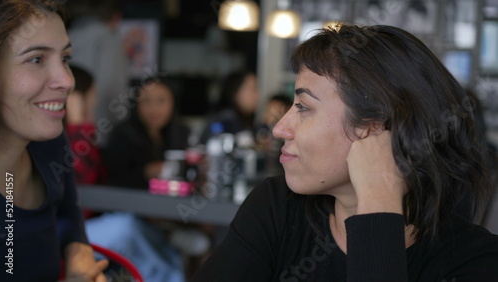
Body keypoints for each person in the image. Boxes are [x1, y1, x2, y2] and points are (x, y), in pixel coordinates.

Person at [190, 24, 498, 281]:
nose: (280, 128)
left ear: (375, 128)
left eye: (303, 107)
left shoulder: (474, 261)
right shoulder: (278, 208)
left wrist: (378, 198)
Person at [0, 1, 107, 281]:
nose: (67, 81)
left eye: (65, 58)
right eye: (37, 59)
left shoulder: (50, 145)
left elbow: (68, 212)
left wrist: (77, 251)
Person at [102, 77, 191, 189]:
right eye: (147, 101)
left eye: (161, 101)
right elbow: (113, 180)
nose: (154, 108)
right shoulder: (122, 135)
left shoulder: (183, 134)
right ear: (136, 104)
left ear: (173, 103)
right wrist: (145, 173)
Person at [67, 0, 128, 148]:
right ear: (116, 18)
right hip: (97, 131)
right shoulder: (107, 38)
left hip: (65, 127)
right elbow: (113, 88)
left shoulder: (66, 34)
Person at [65, 64, 106, 186]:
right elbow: (83, 180)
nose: (95, 102)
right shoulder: (52, 136)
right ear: (75, 98)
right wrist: (78, 126)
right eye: (92, 94)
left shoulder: (85, 134)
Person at [199, 70, 261, 145]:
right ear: (235, 92)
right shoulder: (225, 120)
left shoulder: (244, 120)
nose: (257, 96)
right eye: (253, 89)